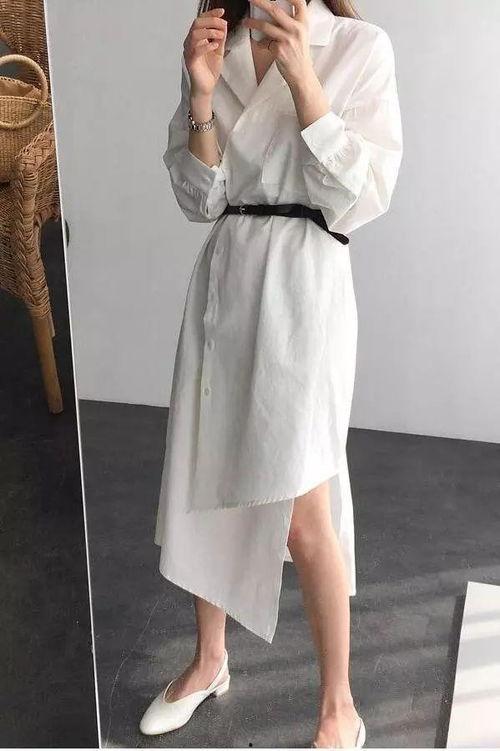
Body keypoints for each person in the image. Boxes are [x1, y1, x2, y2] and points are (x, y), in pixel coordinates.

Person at [141, 0, 402, 746]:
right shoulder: (219, 41)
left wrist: (305, 82)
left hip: (305, 288)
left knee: (303, 506)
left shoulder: (357, 45)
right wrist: (200, 95)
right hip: (227, 280)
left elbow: (364, 195)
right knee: (207, 479)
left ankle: (339, 705)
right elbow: (201, 199)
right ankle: (209, 660)